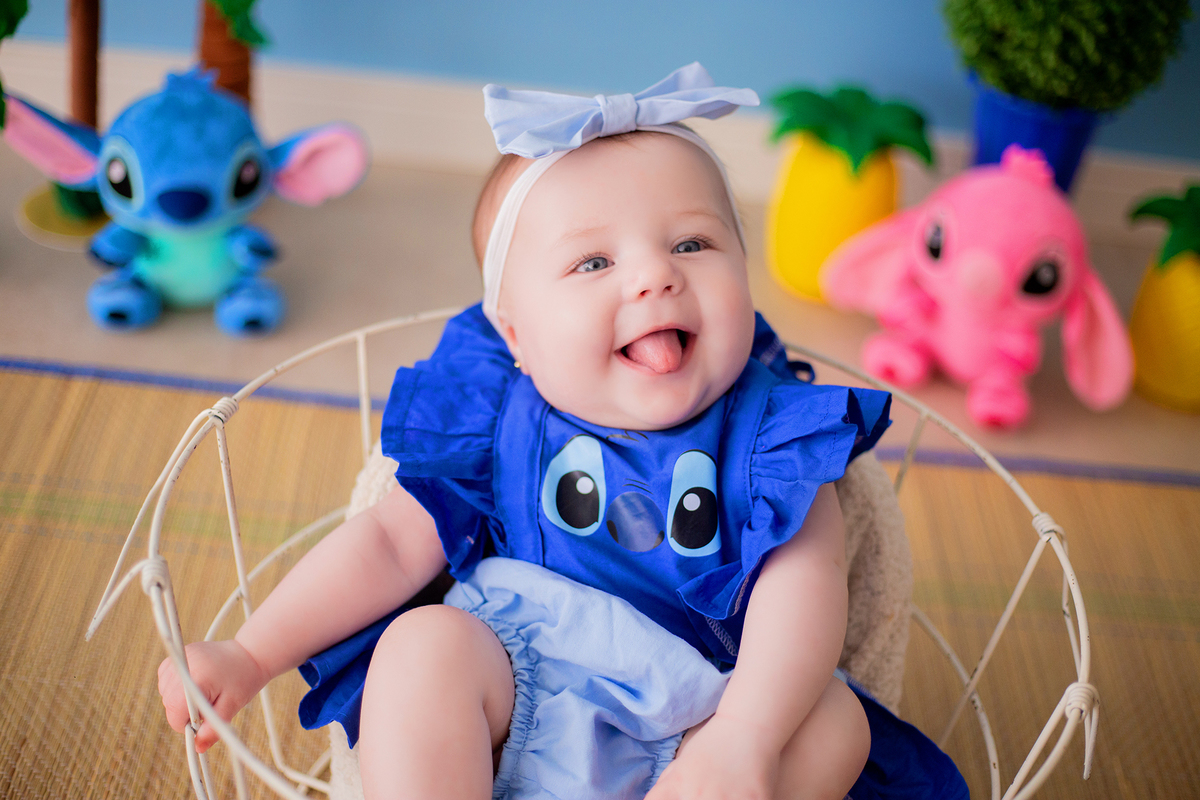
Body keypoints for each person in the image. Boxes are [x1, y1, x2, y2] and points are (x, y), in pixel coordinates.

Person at [158, 64, 900, 800]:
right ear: (515, 335)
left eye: (692, 245)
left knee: (836, 721)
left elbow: (807, 586)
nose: (653, 277)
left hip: (705, 717)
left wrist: (744, 740)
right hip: (525, 680)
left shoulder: (775, 438)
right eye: (594, 261)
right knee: (420, 647)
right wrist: (250, 653)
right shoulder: (499, 419)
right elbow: (386, 544)